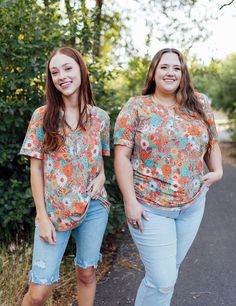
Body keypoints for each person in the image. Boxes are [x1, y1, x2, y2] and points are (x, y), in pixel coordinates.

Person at [114, 48, 223, 306]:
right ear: (153, 72)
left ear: (183, 73)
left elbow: (212, 142)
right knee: (163, 279)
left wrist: (217, 171)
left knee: (165, 277)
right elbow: (121, 157)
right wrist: (130, 201)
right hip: (151, 209)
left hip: (192, 206)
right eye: (164, 67)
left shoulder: (199, 102)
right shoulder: (136, 107)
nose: (170, 72)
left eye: (176, 67)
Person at [20, 47, 110, 306]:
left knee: (87, 272)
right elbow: (35, 169)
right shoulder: (42, 116)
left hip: (94, 207)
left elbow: (99, 163)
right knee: (39, 291)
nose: (62, 76)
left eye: (67, 68)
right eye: (55, 72)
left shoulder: (100, 118)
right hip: (54, 213)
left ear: (81, 70)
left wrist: (102, 178)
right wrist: (42, 216)